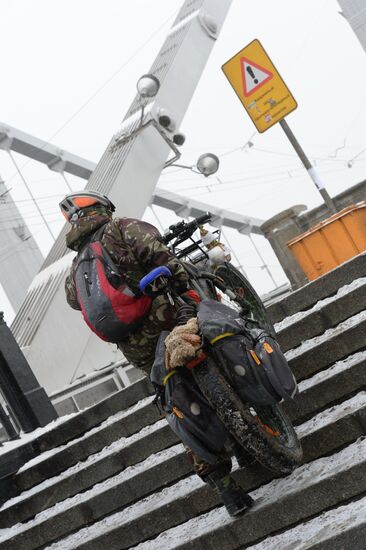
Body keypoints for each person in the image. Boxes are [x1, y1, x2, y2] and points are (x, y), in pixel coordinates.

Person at [60, 190, 253, 517]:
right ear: (103, 208)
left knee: (180, 401)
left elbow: (75, 301)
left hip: (136, 346)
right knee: (220, 354)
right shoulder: (121, 228)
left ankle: (227, 491)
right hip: (169, 317)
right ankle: (253, 433)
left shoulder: (77, 265)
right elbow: (159, 255)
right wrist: (183, 290)